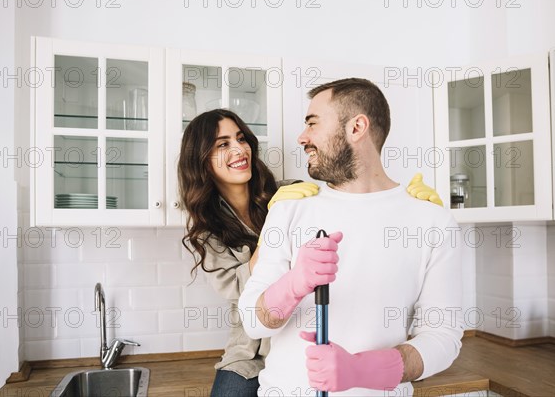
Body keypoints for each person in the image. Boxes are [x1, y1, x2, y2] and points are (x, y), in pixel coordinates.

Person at [179, 108, 444, 397]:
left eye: (241, 139)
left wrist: (409, 206)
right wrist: (272, 226)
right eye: (222, 144)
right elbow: (244, 292)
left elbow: (351, 212)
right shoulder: (207, 231)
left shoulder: (291, 194)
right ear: (202, 161)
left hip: (304, 343)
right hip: (249, 354)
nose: (239, 149)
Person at [239, 78, 464, 396]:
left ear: (357, 127)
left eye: (313, 124)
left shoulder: (433, 221)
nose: (302, 138)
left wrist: (362, 370)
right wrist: (292, 285)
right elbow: (253, 321)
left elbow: (442, 336)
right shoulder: (290, 209)